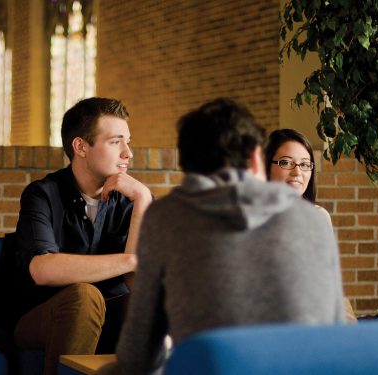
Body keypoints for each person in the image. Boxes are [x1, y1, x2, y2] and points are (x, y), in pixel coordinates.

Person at [109, 98, 345, 374]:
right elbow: (334, 330)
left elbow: (140, 350)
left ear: (186, 166)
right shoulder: (312, 217)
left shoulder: (166, 216)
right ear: (257, 158)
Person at [13, 97, 152, 375]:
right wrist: (131, 260)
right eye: (115, 142)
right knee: (85, 297)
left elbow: (139, 284)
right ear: (81, 147)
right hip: (45, 315)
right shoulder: (43, 194)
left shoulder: (129, 200)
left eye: (128, 141)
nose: (128, 153)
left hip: (111, 315)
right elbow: (43, 270)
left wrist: (143, 201)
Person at [266, 128, 358, 322]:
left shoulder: (319, 217)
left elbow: (328, 284)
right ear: (266, 166)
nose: (297, 172)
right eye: (286, 163)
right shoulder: (251, 217)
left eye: (305, 164)